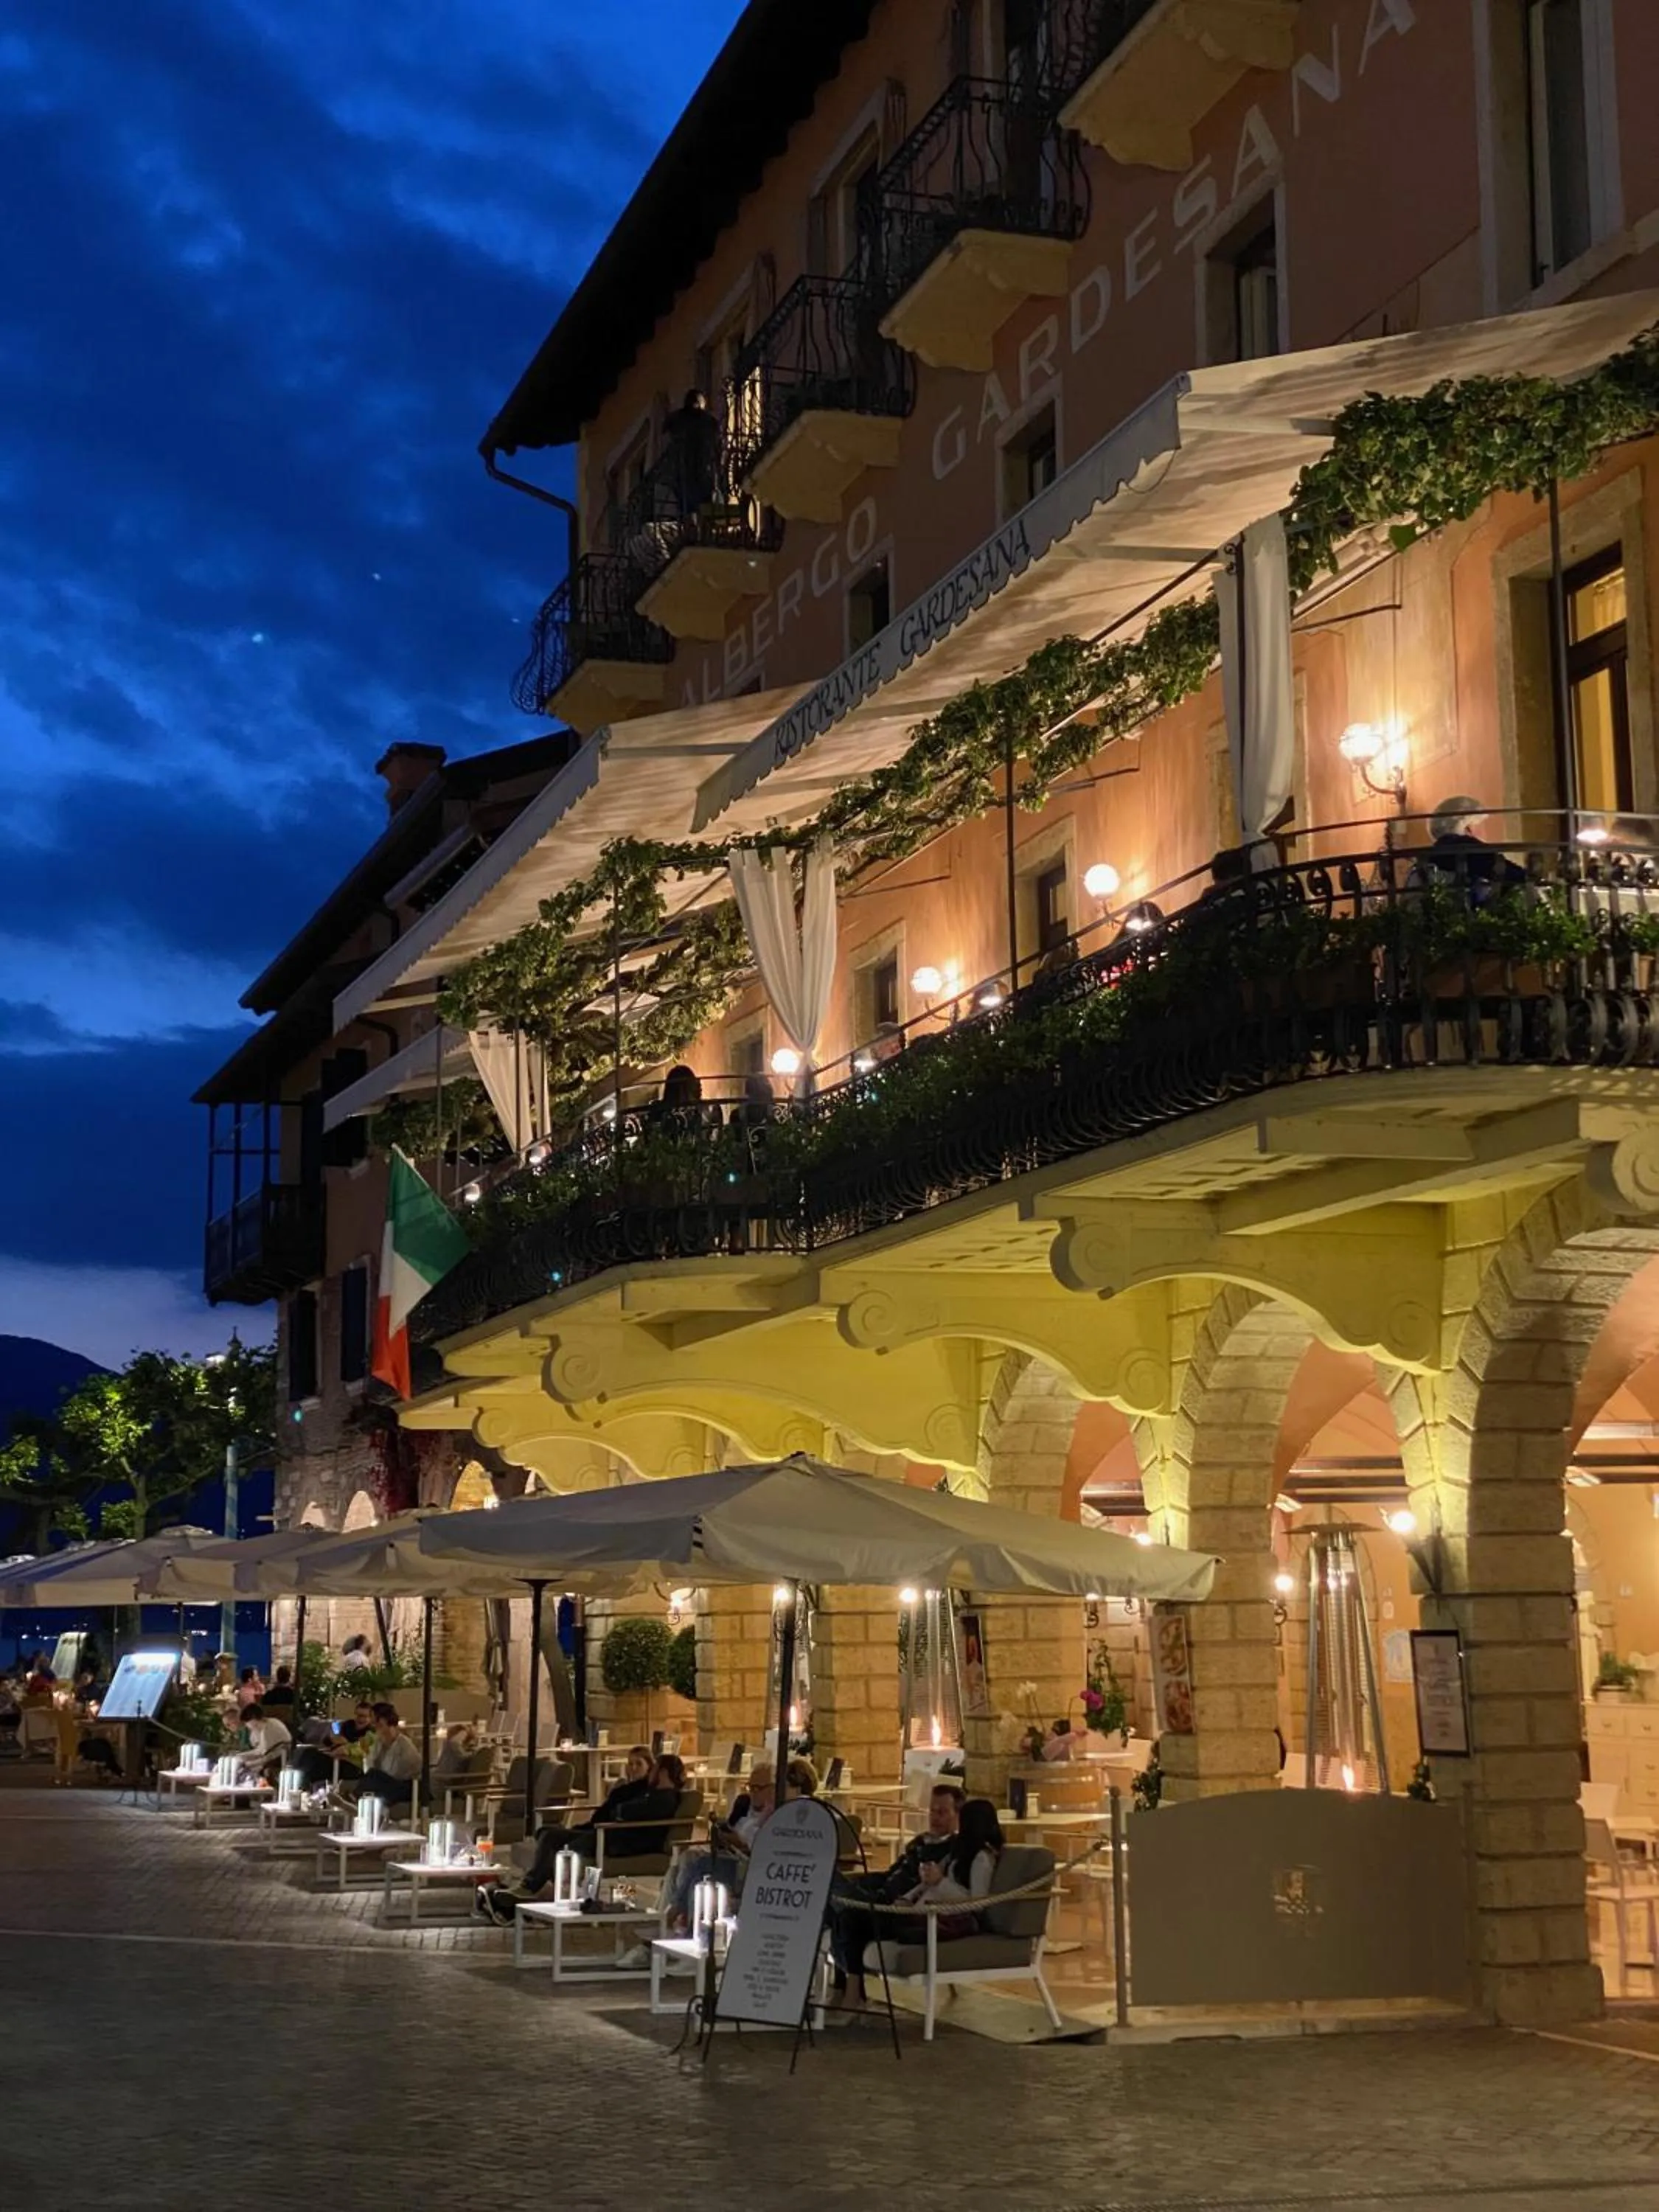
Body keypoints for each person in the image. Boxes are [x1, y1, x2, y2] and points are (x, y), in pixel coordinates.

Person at [832, 1796, 1002, 2009]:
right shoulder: (959, 1853)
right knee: (846, 1916)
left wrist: (941, 1882)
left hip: (933, 1919)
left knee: (851, 1917)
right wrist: (907, 1898)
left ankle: (853, 1995)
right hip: (915, 1911)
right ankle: (850, 1992)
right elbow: (926, 1884)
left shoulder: (981, 1859)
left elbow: (978, 1903)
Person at [481, 1751, 687, 1924]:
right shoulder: (648, 1792)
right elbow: (619, 1808)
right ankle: (529, 1887)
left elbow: (626, 1812)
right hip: (606, 1833)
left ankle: (553, 1896)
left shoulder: (665, 1798)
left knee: (570, 1849)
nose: (649, 1774)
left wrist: (621, 1811)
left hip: (621, 1842)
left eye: (652, 1769)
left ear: (662, 1772)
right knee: (551, 1836)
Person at [828, 1784, 963, 1992]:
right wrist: (865, 1882)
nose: (935, 1817)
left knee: (835, 1893)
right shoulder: (919, 1842)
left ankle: (851, 1993)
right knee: (832, 1902)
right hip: (879, 1893)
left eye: (942, 1812)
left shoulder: (953, 1850)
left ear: (957, 1816)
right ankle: (842, 1987)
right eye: (932, 1811)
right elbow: (892, 1873)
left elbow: (927, 1888)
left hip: (893, 1906)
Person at [661, 1760, 776, 1936]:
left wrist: (738, 1841)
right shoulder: (745, 1806)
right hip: (727, 1855)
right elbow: (731, 1828)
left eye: (758, 1788)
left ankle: (674, 1917)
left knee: (700, 1865)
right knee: (682, 1865)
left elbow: (758, 1846)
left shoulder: (774, 1814)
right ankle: (672, 1925)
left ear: (773, 1788)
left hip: (745, 1865)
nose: (752, 1793)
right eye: (750, 1787)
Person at [341, 1703, 421, 1812]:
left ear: (383, 1720)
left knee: (374, 1776)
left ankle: (354, 1799)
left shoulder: (404, 1745)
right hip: (387, 1784)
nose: (373, 1724)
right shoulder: (379, 1743)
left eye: (374, 1720)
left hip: (406, 1786)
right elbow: (369, 1766)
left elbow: (395, 1774)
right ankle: (355, 1800)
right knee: (371, 1777)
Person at [290, 1700, 375, 1790]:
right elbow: (328, 1740)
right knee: (309, 1752)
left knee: (314, 1763)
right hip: (334, 1757)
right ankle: (297, 1784)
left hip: (352, 1765)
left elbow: (364, 1750)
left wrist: (346, 1746)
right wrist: (332, 1739)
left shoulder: (371, 1733)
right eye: (357, 1715)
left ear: (370, 1718)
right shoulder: (347, 1725)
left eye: (363, 1716)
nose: (360, 1719)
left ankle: (299, 1787)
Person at [234, 1703, 293, 1778]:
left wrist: (248, 1762)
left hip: (279, 1757)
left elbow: (264, 1754)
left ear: (253, 1719)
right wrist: (242, 1756)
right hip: (276, 1754)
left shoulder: (269, 1728)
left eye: (246, 1722)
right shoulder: (269, 1723)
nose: (247, 1725)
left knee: (245, 1767)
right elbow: (261, 1751)